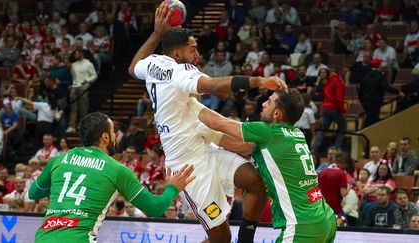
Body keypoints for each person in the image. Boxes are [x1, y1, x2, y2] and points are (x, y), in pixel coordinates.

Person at [128, 5, 287, 243]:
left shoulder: (153, 63)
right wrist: (259, 81)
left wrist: (157, 33)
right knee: (220, 238)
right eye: (192, 49)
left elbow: (132, 68)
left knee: (255, 182)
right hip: (188, 167)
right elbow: (213, 86)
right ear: (177, 54)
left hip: (205, 147)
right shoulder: (179, 73)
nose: (197, 53)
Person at [187, 90, 336, 242]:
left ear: (277, 113)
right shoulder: (296, 133)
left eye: (269, 102)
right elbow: (242, 147)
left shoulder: (267, 131)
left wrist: (189, 101)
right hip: (325, 217)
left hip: (303, 224)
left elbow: (218, 123)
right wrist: (209, 135)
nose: (263, 103)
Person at [28, 112, 195, 242]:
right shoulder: (117, 170)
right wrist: (173, 187)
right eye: (113, 131)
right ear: (105, 137)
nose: (115, 136)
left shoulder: (58, 160)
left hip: (43, 237)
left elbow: (33, 193)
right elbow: (156, 208)